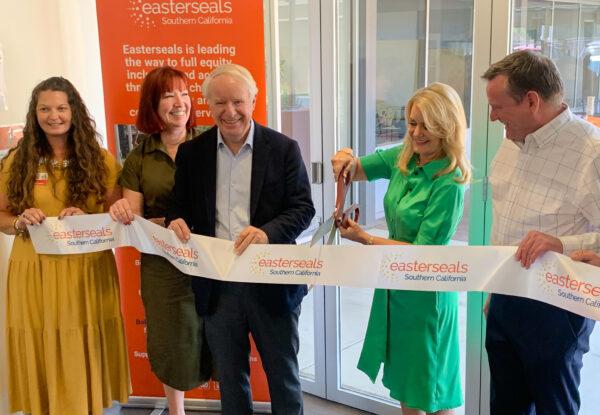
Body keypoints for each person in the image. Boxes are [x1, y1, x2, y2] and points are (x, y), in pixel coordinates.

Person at [166, 63, 315, 415]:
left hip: (272, 283)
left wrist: (267, 233)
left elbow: (303, 208)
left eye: (237, 101)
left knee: (283, 375)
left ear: (253, 99)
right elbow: (177, 206)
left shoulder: (283, 149)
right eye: (219, 103)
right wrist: (175, 221)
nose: (229, 112)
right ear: (208, 105)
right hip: (218, 285)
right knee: (231, 378)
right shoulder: (193, 153)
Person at [332, 82, 471, 415]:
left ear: (447, 127)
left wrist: (366, 239)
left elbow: (422, 254)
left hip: (426, 296)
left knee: (431, 389)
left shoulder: (449, 181)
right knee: (408, 387)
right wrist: (345, 156)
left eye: (427, 125)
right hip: (395, 286)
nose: (417, 132)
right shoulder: (405, 155)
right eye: (412, 122)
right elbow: (355, 169)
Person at [0, 77, 129, 414]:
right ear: (34, 113)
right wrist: (18, 221)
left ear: (74, 111)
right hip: (34, 269)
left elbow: (117, 217)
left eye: (60, 107)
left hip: (85, 269)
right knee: (42, 341)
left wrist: (86, 216)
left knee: (83, 341)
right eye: (44, 108)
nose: (53, 115)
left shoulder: (100, 160)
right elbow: (1, 213)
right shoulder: (18, 161)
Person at [482, 50, 600, 415]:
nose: (492, 116)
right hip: (505, 296)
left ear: (531, 100)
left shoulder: (592, 151)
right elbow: (503, 221)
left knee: (554, 407)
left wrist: (562, 243)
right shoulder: (510, 142)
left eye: (498, 106)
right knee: (506, 405)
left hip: (557, 307)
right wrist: (494, 289)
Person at [108, 66, 211, 415]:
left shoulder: (210, 143)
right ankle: (176, 410)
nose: (179, 102)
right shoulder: (140, 155)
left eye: (184, 93)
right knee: (169, 340)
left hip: (209, 260)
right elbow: (135, 218)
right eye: (168, 95)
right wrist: (127, 211)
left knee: (215, 334)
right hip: (162, 266)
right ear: (153, 104)